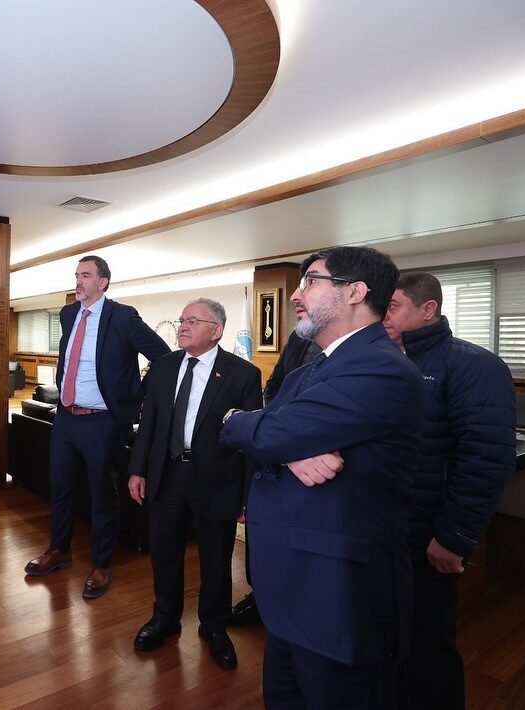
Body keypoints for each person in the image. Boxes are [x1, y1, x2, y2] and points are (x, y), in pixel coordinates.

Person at [220, 246, 424, 707]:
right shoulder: (308, 370)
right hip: (288, 584)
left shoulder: (382, 367)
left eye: (310, 281)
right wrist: (286, 449)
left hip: (335, 595)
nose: (296, 295)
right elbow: (273, 434)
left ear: (355, 291)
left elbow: (266, 431)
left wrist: (240, 421)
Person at [383, 272, 516, 709]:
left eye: (394, 307)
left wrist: (454, 536)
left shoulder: (473, 365)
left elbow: (485, 459)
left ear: (428, 310)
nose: (384, 316)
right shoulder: (385, 359)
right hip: (385, 528)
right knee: (388, 635)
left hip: (427, 532)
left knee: (427, 644)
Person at [126, 298, 262, 669]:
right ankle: (165, 618)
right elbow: (149, 424)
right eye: (182, 319)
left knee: (216, 559)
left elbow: (249, 442)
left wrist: (247, 496)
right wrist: (138, 470)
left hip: (217, 480)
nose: (182, 326)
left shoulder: (243, 374)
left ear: (217, 330)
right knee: (164, 552)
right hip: (167, 475)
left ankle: (214, 626)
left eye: (193, 320)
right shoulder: (163, 366)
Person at [24, 255, 170, 598]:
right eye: (76, 275)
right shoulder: (68, 314)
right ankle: (59, 550)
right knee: (60, 486)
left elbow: (164, 356)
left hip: (102, 421)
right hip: (65, 417)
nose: (78, 281)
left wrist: (136, 394)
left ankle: (102, 564)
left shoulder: (122, 316)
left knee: (102, 493)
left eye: (86, 275)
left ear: (103, 282)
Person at [229, 314, 322, 627]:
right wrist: (277, 427)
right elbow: (274, 386)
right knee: (267, 538)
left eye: (308, 289)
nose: (298, 298)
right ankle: (261, 597)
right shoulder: (299, 336)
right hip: (278, 451)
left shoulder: (369, 353)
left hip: (318, 460)